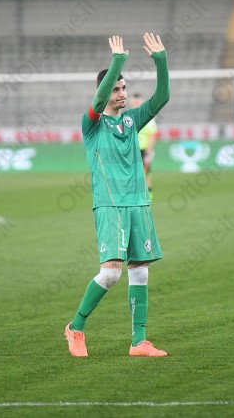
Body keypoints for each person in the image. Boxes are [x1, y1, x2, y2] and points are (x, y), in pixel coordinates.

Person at [65, 33, 170, 358]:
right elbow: (98, 102)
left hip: (139, 203)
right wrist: (118, 61)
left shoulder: (132, 120)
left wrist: (161, 60)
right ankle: (76, 327)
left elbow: (162, 97)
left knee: (140, 270)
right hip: (110, 205)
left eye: (124, 88)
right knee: (111, 272)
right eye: (116, 89)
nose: (122, 93)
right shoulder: (92, 125)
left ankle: (139, 341)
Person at [130, 93, 158, 201]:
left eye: (137, 101)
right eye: (134, 101)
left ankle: (148, 199)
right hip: (131, 150)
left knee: (145, 175)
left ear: (141, 102)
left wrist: (148, 152)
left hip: (143, 151)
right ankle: (136, 199)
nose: (135, 103)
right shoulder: (129, 116)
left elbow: (152, 134)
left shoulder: (147, 116)